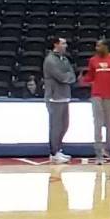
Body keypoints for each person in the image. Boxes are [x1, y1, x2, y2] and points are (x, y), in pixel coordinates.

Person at [85, 37, 110, 164]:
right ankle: (98, 153)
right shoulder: (93, 60)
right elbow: (90, 76)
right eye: (96, 46)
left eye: (99, 46)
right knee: (97, 124)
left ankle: (108, 148)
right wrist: (82, 79)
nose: (97, 48)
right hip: (97, 95)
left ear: (106, 47)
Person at [43, 36, 75, 164]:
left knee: (64, 125)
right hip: (54, 97)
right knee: (56, 126)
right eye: (63, 43)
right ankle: (53, 152)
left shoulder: (65, 59)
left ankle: (58, 149)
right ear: (56, 45)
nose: (66, 45)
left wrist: (68, 76)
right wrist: (68, 77)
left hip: (65, 96)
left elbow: (72, 75)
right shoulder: (50, 60)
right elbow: (61, 76)